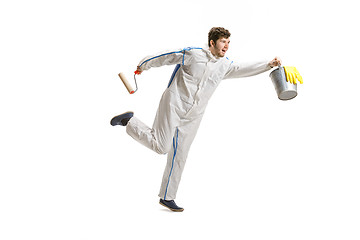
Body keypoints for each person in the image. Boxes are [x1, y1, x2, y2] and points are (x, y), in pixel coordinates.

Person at [111, 27, 281, 212]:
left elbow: (243, 69)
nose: (226, 46)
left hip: (194, 115)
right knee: (162, 147)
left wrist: (268, 65)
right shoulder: (193, 54)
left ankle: (167, 197)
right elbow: (166, 56)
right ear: (212, 43)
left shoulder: (225, 65)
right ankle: (129, 121)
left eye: (228, 42)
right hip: (173, 104)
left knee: (180, 154)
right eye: (223, 41)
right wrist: (143, 65)